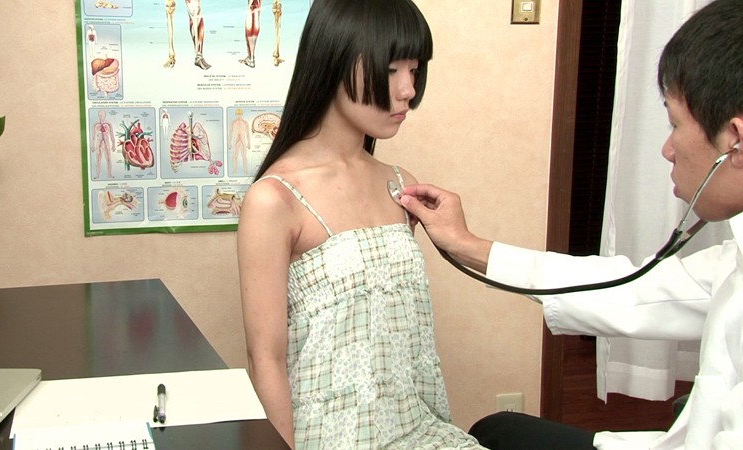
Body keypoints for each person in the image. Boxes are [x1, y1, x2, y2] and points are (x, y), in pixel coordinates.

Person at [399, 1, 743, 449]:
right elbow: (634, 288)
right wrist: (467, 245)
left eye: (674, 124)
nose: (667, 149)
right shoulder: (733, 260)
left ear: (735, 141)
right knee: (496, 430)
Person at [236, 0, 485, 448]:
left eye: (415, 70)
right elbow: (265, 359)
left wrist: (462, 241)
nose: (408, 90)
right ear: (332, 61)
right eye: (391, 70)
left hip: (417, 430)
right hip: (326, 437)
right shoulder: (274, 200)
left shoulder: (399, 185)